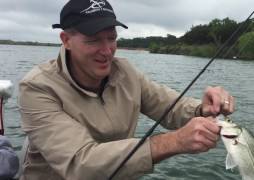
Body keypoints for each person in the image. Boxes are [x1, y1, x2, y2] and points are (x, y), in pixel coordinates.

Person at [18, 0, 235, 179]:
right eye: (93, 40)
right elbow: (80, 163)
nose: (106, 51)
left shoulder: (126, 72)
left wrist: (202, 108)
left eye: (112, 38)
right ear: (66, 40)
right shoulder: (37, 88)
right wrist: (174, 142)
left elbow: (171, 107)